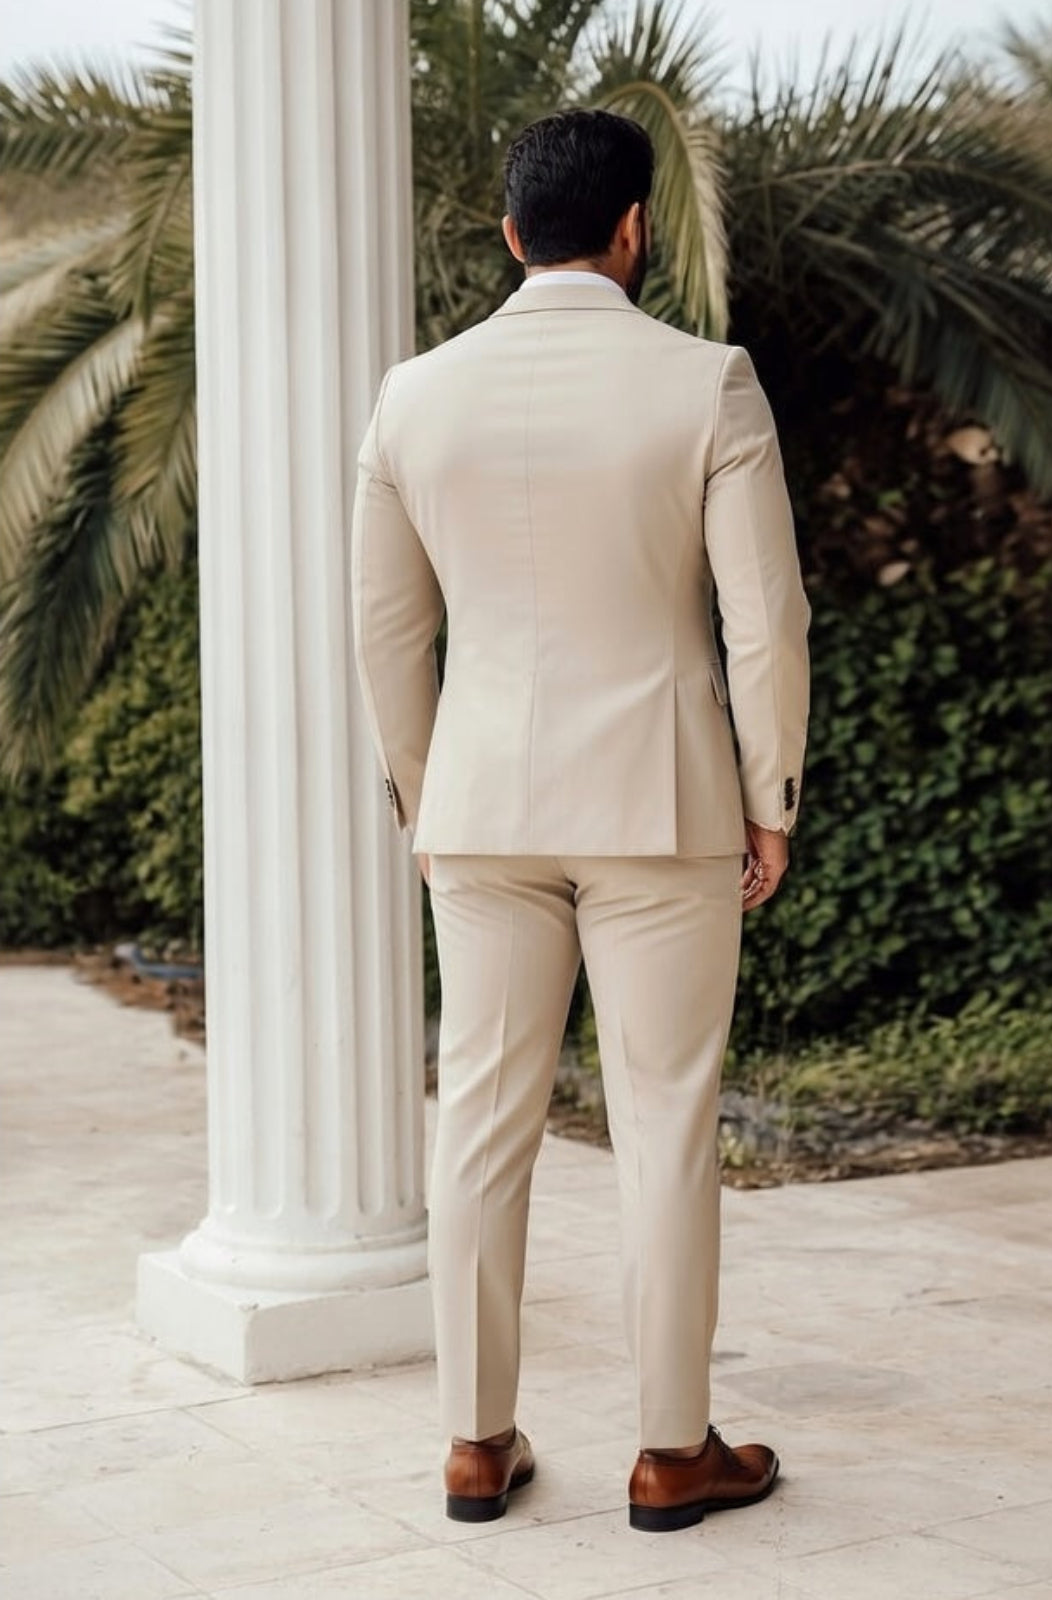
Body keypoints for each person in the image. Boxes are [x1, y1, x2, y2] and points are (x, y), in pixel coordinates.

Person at [350, 106, 810, 1534]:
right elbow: (766, 620)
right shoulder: (708, 382)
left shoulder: (413, 395)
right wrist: (771, 795)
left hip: (481, 811)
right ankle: (675, 1455)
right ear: (634, 231)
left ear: (510, 234)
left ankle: (475, 1445)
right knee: (665, 1119)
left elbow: (382, 630)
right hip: (660, 807)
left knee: (481, 1118)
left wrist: (430, 799)